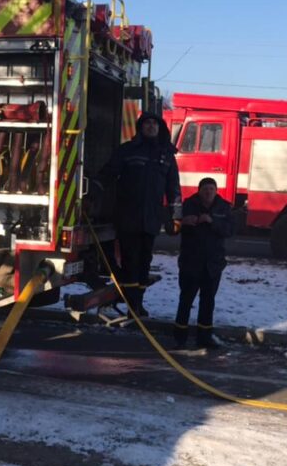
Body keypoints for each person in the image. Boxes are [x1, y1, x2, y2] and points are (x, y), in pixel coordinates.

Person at [100, 111, 181, 316]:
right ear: (140, 127)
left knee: (145, 262)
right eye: (147, 123)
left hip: (151, 219)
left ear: (160, 128)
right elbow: (109, 173)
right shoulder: (127, 151)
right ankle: (131, 305)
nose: (151, 126)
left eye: (154, 123)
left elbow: (174, 188)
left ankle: (137, 303)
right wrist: (91, 192)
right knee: (130, 262)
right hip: (128, 217)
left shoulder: (167, 155)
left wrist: (176, 216)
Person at [173, 177, 233, 348]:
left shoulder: (224, 207)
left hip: (212, 265)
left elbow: (230, 230)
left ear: (216, 191)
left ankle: (204, 338)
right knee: (186, 300)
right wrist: (183, 223)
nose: (208, 192)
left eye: (211, 189)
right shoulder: (188, 205)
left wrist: (212, 221)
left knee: (208, 302)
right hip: (191, 262)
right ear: (199, 191)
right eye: (205, 189)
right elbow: (171, 226)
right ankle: (180, 338)